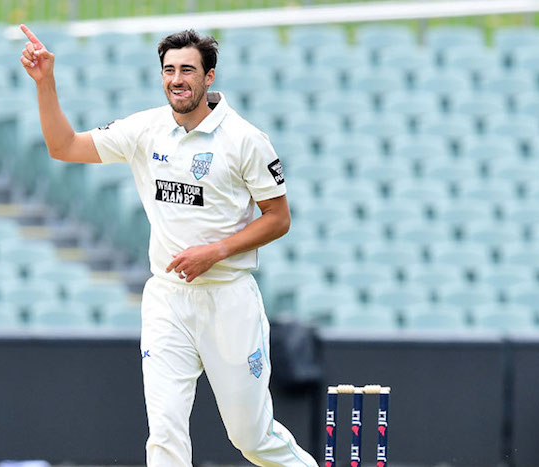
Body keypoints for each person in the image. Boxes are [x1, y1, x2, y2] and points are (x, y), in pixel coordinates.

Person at [19, 24, 318, 467]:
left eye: (187, 70)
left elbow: (279, 218)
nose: (177, 79)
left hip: (228, 298)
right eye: (169, 69)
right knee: (164, 435)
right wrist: (46, 83)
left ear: (209, 76)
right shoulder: (147, 129)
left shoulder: (245, 140)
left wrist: (214, 252)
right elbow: (63, 146)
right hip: (167, 298)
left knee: (251, 438)